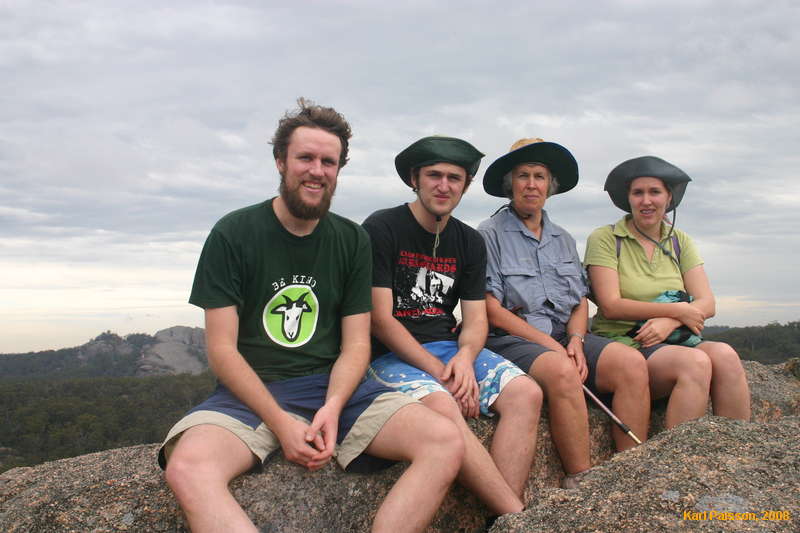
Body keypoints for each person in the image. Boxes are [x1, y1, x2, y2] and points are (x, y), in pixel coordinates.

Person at [158, 99, 465, 533]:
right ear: (281, 161)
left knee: (445, 440)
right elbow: (222, 350)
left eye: (329, 161)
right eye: (305, 158)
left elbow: (357, 343)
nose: (317, 170)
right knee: (188, 467)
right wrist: (281, 423)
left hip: (337, 388)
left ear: (339, 169)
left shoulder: (351, 240)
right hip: (253, 391)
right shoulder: (234, 233)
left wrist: (335, 406)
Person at [363, 136, 542, 516]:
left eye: (454, 178)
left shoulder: (469, 241)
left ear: (465, 184)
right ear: (415, 179)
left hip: (447, 347)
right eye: (434, 175)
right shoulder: (382, 228)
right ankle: (516, 517)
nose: (444, 186)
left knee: (526, 393)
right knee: (443, 406)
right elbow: (380, 320)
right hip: (389, 356)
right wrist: (441, 373)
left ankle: (499, 520)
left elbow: (475, 318)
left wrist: (464, 357)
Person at [477, 138, 650, 488]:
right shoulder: (489, 234)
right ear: (510, 184)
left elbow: (580, 301)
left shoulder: (563, 238)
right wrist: (553, 347)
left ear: (549, 186)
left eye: (539, 176)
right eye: (522, 175)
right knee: (561, 371)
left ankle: (629, 471)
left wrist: (575, 338)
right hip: (513, 339)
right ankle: (581, 480)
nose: (531, 184)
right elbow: (490, 309)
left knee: (632, 363)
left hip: (562, 335)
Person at [585, 155, 750, 429]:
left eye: (655, 192)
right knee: (695, 363)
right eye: (638, 193)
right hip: (627, 341)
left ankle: (735, 454)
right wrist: (677, 309)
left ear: (669, 198)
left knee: (726, 356)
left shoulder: (679, 241)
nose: (646, 201)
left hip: (674, 336)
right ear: (628, 199)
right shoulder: (605, 238)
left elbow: (707, 302)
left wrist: (671, 321)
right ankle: (678, 461)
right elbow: (611, 304)